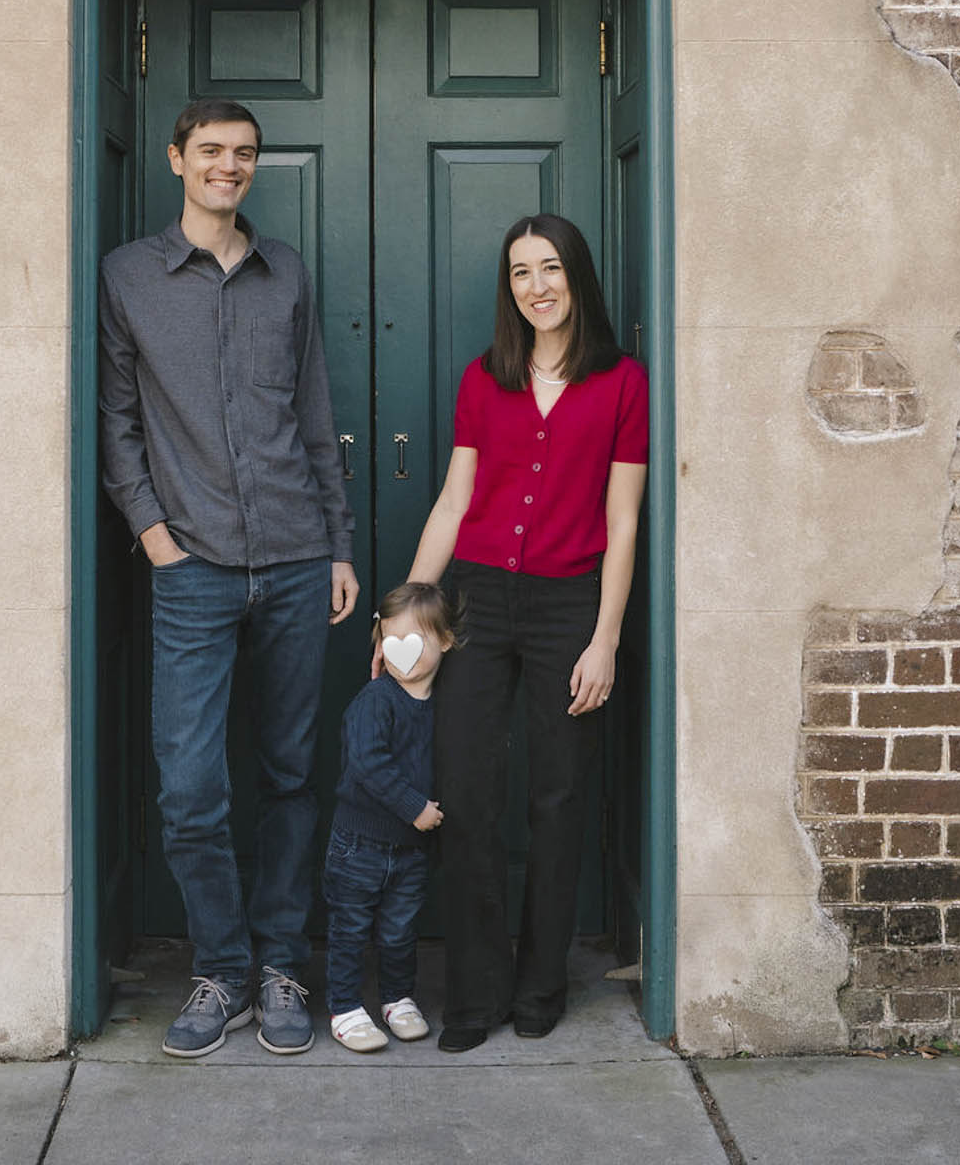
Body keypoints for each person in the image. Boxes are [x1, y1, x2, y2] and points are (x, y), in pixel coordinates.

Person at [98, 97, 359, 1060]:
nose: (229, 167)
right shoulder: (128, 276)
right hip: (193, 569)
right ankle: (221, 968)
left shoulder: (283, 270)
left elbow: (315, 407)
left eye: (244, 154)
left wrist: (338, 545)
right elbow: (118, 420)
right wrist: (153, 534)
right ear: (175, 159)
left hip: (295, 558)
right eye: (211, 151)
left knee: (292, 775)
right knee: (191, 786)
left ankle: (283, 962)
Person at [401, 212, 648, 1053]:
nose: (536, 287)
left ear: (576, 277)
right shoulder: (484, 379)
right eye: (520, 273)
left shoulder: (623, 384)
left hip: (568, 608)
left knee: (557, 796)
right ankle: (473, 995)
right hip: (477, 603)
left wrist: (605, 638)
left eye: (550, 269)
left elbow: (623, 522)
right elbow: (453, 501)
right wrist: (411, 607)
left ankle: (541, 985)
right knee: (466, 796)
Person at [323, 581, 456, 1053]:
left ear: (444, 640)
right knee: (350, 928)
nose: (404, 653)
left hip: (411, 849)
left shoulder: (446, 705)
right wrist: (413, 807)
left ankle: (397, 998)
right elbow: (368, 763)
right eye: (392, 639)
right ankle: (344, 1006)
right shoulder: (377, 701)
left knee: (401, 929)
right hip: (359, 842)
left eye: (416, 640)